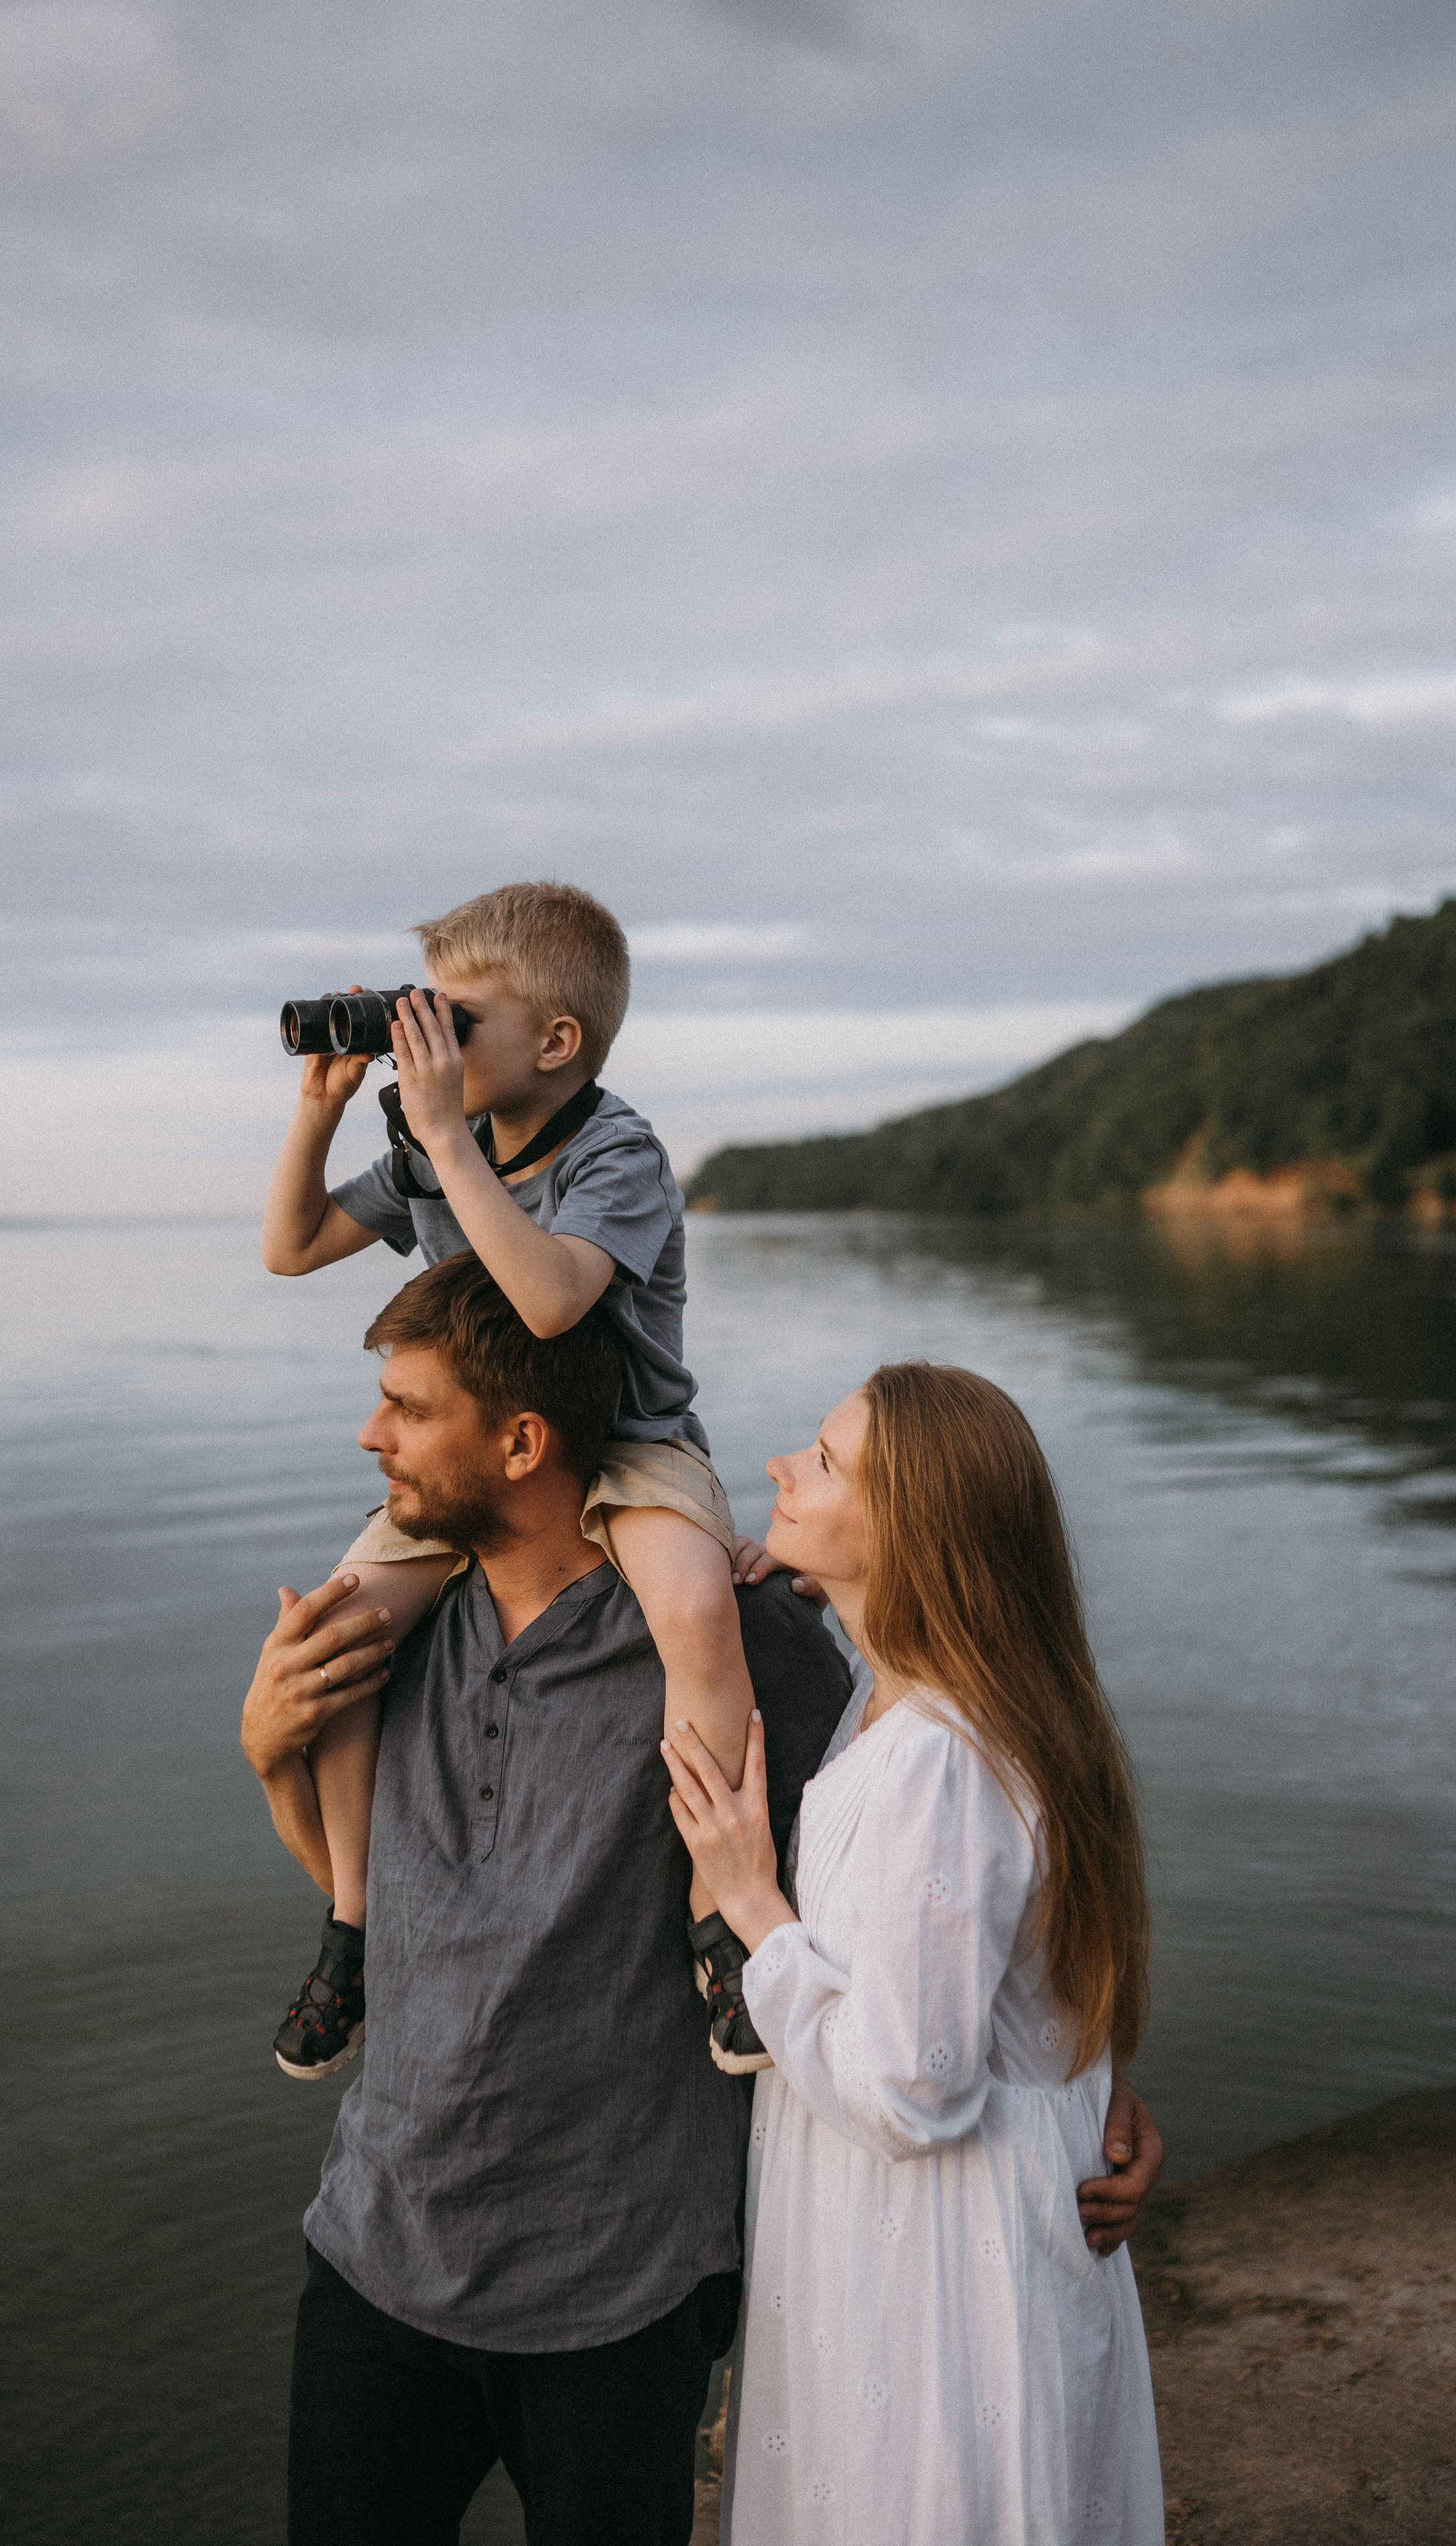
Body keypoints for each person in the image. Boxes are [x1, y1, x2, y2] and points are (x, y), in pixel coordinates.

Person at [241, 1265, 1167, 2545]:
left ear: (522, 1442)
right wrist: (273, 1752)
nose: (367, 1437)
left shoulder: (750, 1646)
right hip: (377, 2257)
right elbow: (397, 1917)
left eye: (406, 1407)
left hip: (620, 2289)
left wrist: (1082, 2082)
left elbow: (951, 1908)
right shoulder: (391, 1637)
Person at [258, 880, 769, 2079]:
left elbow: (550, 1300)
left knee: (696, 1610)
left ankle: (723, 1919)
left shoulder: (619, 1153)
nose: (425, 1043)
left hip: (631, 1441)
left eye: (455, 1019)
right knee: (337, 1640)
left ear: (557, 1041)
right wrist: (320, 1110)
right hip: (476, 1457)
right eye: (419, 1017)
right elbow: (288, 1250)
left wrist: (439, 1135)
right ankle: (355, 1925)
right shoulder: (438, 1150)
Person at [664, 1363, 1165, 2544]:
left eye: (826, 1463)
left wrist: (753, 1906)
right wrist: (798, 1568)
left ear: (918, 1536)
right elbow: (1015, 1984)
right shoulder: (936, 1700)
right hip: (975, 2222)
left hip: (944, 2266)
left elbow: (907, 2086)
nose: (782, 1465)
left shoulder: (935, 1756)